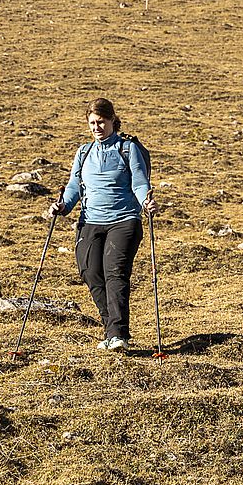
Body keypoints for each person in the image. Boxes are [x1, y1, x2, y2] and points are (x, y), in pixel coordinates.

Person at [47, 98, 156, 351]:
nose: (97, 128)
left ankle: (118, 334)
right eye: (92, 123)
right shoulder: (84, 152)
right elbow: (74, 186)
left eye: (101, 122)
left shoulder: (128, 149)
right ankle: (111, 330)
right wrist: (63, 206)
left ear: (112, 121)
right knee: (90, 271)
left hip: (124, 220)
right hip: (90, 221)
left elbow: (140, 182)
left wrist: (146, 202)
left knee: (114, 272)